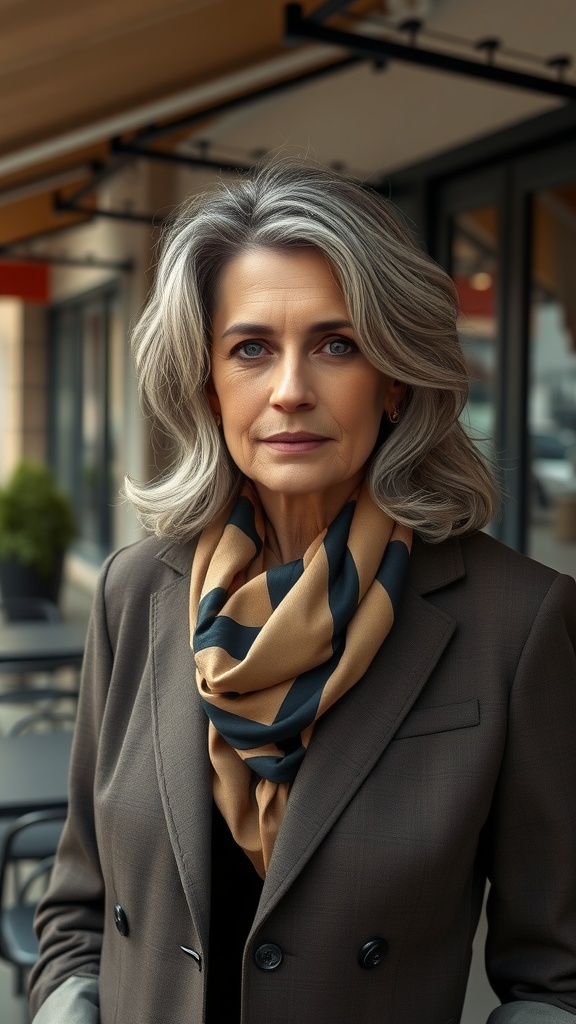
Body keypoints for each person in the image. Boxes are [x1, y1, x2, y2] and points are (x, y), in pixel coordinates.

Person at [29, 160, 576, 1024]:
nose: (290, 389)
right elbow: (79, 905)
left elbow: (558, 973)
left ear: (394, 378)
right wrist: (67, 1002)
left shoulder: (516, 622)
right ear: (208, 385)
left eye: (337, 344)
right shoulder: (133, 593)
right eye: (251, 348)